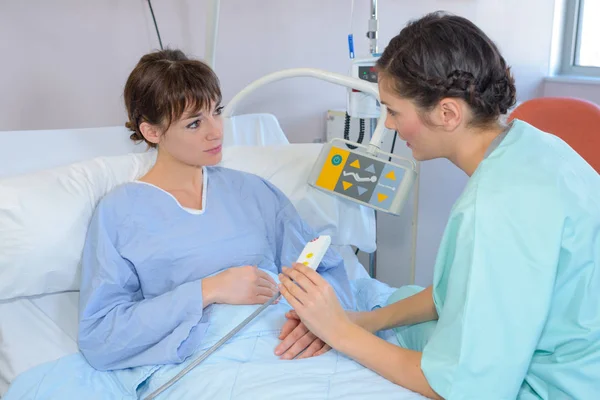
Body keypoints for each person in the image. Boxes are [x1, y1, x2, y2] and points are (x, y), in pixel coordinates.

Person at [278, 11, 600, 400]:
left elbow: (465, 389)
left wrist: (340, 333)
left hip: (563, 385)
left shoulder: (496, 208)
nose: (390, 125)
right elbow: (458, 290)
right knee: (397, 300)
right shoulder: (535, 145)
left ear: (447, 113)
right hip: (572, 348)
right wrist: (364, 321)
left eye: (394, 111)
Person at [77, 49, 354, 371]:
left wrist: (319, 322)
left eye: (216, 112)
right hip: (211, 362)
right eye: (194, 123)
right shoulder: (120, 212)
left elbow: (322, 269)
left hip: (292, 343)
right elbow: (101, 336)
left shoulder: (254, 191)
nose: (216, 131)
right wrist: (207, 290)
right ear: (152, 132)